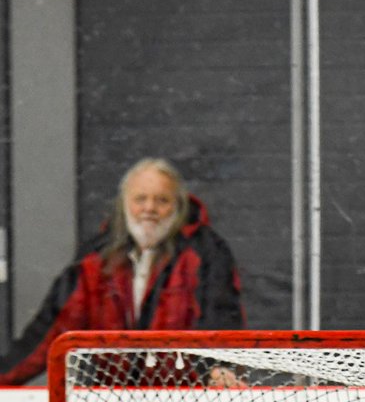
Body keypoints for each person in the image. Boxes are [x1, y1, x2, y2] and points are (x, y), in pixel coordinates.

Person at [0, 157, 244, 386]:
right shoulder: (95, 259)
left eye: (162, 200)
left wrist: (220, 367)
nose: (149, 208)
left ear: (179, 206)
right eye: (140, 199)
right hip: (112, 400)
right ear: (124, 204)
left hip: (184, 399)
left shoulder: (205, 252)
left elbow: (220, 315)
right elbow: (50, 330)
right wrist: (5, 377)